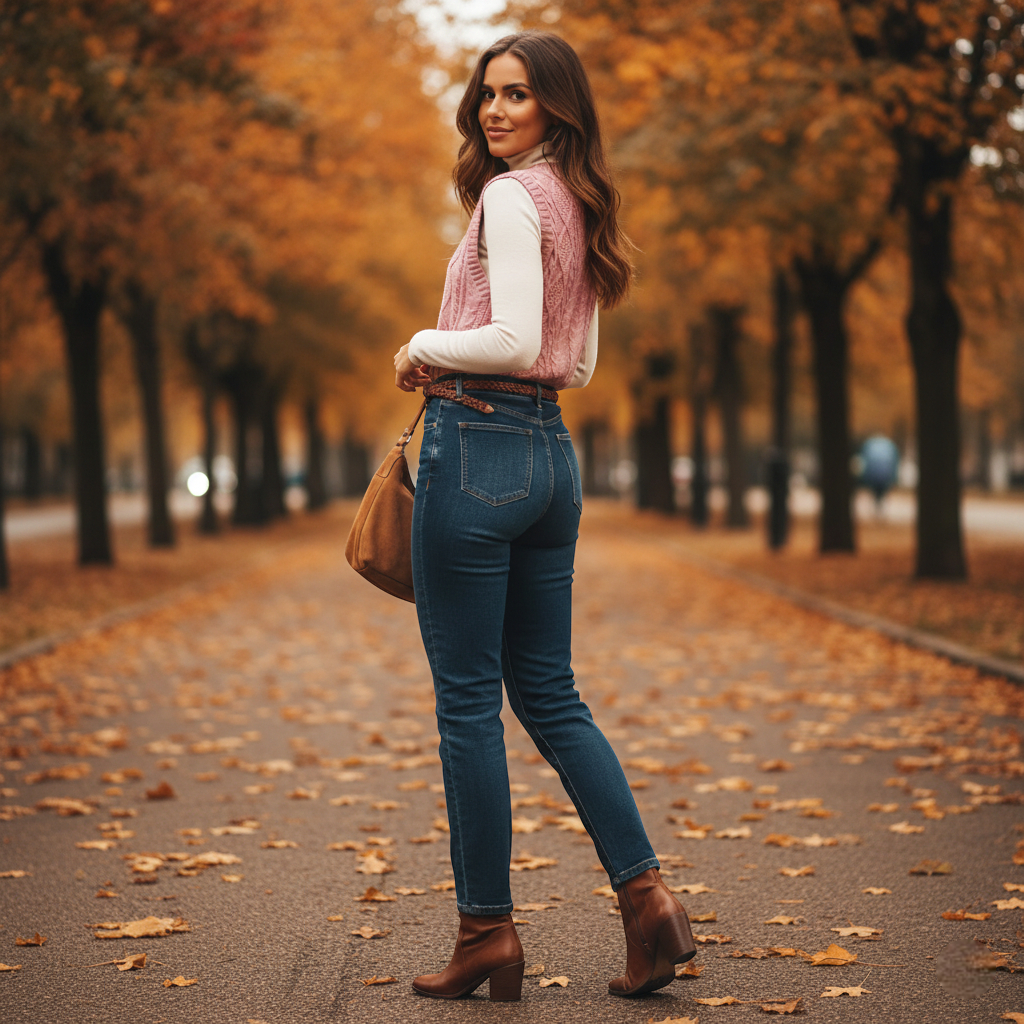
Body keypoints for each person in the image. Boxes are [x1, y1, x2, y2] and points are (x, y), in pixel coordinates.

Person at [393, 30, 696, 1002]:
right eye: (488, 92)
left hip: (478, 452)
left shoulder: (511, 198)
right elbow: (578, 363)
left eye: (517, 94)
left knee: (467, 703)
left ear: (555, 105)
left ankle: (486, 932)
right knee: (551, 694)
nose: (495, 109)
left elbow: (516, 338)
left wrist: (422, 343)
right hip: (549, 458)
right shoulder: (581, 202)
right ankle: (648, 903)